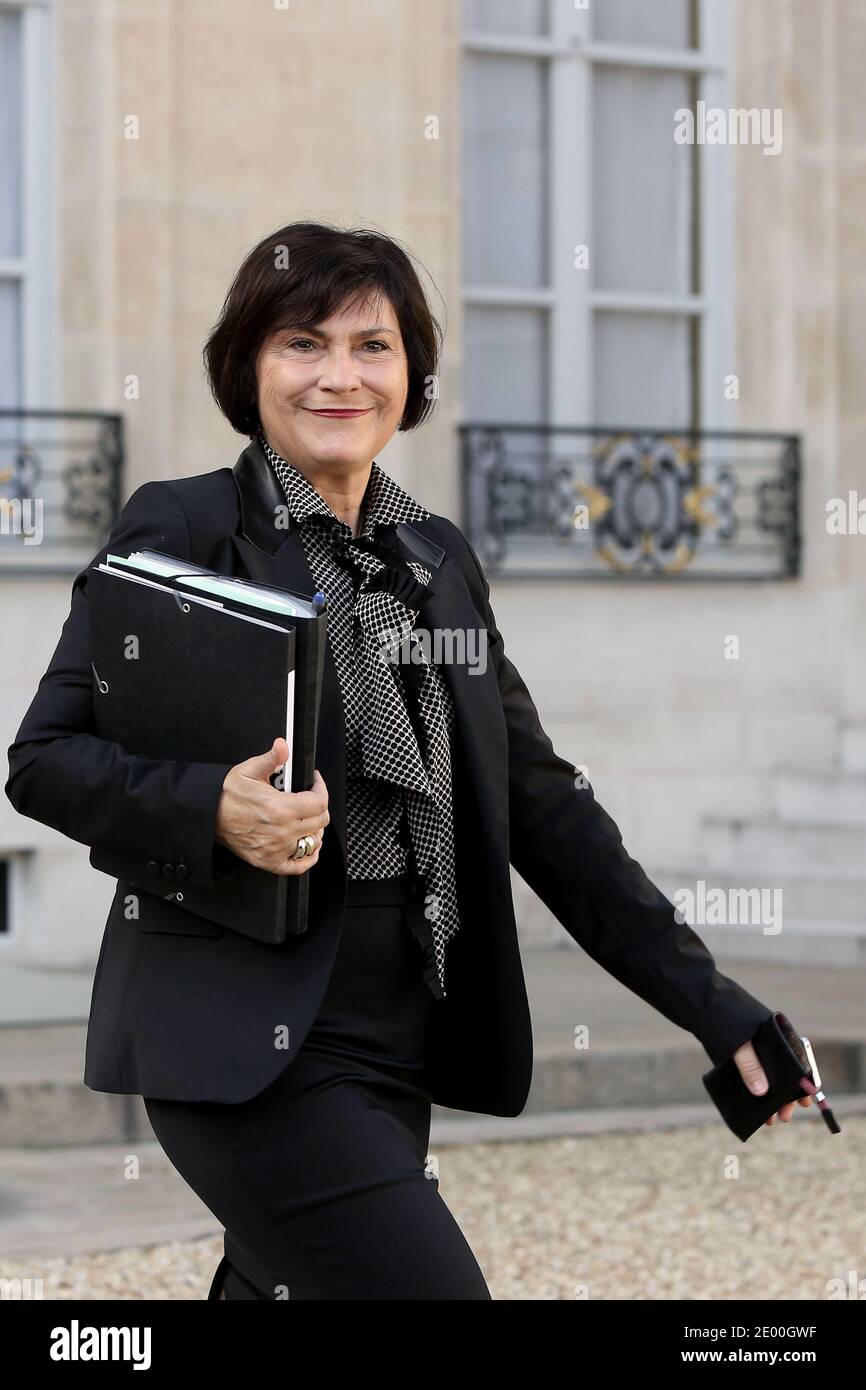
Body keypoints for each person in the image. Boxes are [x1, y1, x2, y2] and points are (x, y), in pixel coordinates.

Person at [4, 221, 810, 1301]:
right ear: (250, 366)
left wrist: (716, 1009)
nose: (339, 374)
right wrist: (211, 809)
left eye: (371, 346)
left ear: (411, 372)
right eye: (302, 343)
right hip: (243, 1042)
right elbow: (46, 758)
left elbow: (543, 805)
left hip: (398, 1032)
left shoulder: (436, 559)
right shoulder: (185, 526)